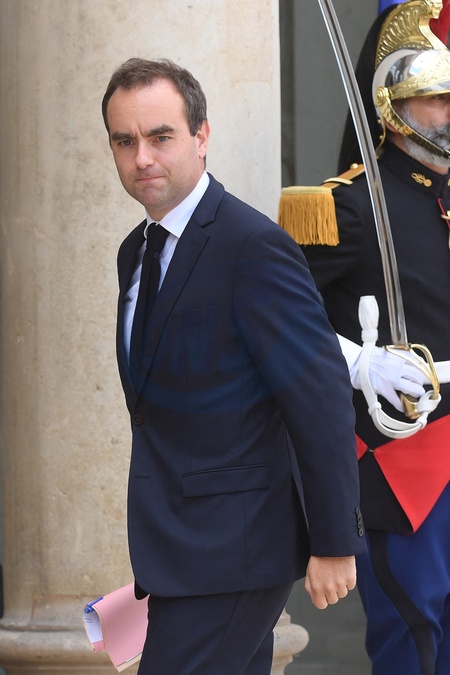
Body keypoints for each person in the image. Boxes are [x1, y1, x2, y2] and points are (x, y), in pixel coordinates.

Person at [101, 57, 366, 674]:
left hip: (237, 551)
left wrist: (334, 541)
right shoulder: (135, 252)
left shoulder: (253, 246)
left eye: (161, 136)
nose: (142, 157)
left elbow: (319, 393)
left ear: (201, 135)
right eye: (124, 141)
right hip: (177, 549)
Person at [281, 2, 450, 673]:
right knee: (416, 634)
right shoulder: (346, 207)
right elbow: (276, 317)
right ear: (393, 104)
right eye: (436, 98)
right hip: (403, 455)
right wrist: (357, 362)